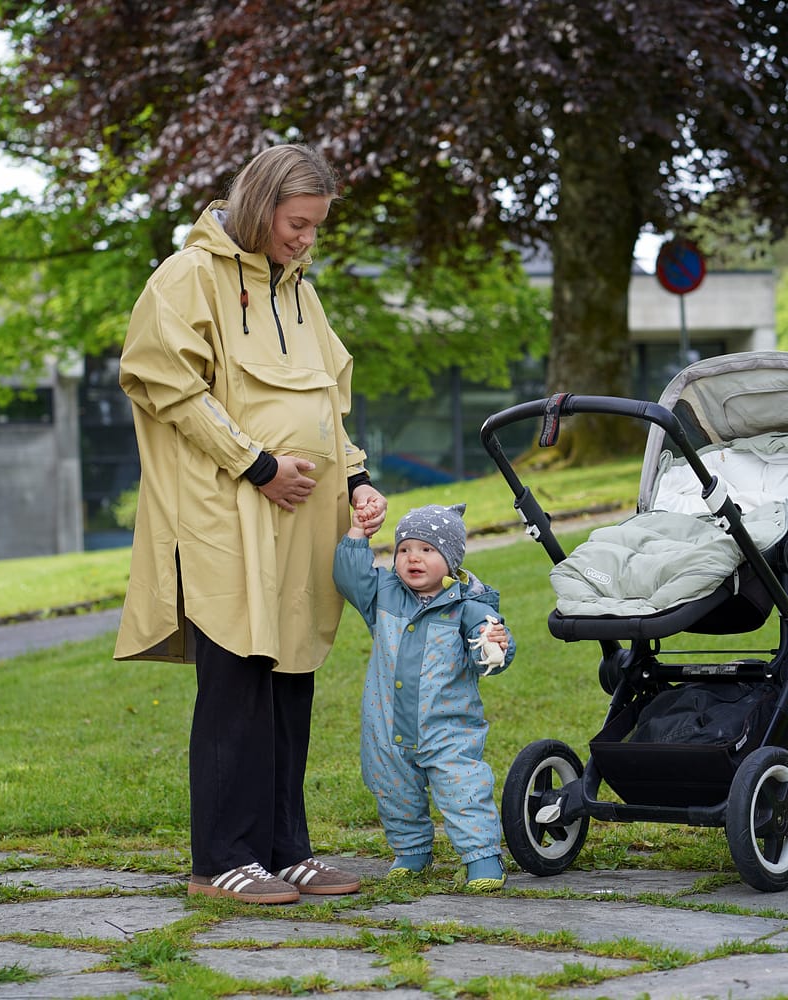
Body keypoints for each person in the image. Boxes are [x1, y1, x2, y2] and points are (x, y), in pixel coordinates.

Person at [113, 143, 387, 904]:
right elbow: (163, 380)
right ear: (262, 204)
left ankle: (283, 848)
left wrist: (357, 477)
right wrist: (257, 463)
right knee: (235, 680)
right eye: (298, 224)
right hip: (222, 512)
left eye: (316, 227)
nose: (307, 239)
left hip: (299, 520)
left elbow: (329, 403)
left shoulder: (301, 292)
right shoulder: (186, 278)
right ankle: (220, 860)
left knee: (290, 677)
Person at [333, 501, 515, 890]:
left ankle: (482, 857)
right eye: (404, 549)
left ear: (450, 560)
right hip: (386, 724)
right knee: (391, 787)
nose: (412, 558)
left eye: (427, 550)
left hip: (446, 727)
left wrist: (495, 644)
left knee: (463, 788)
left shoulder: (467, 608)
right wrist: (357, 533)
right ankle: (412, 851)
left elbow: (489, 654)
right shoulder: (384, 595)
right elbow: (350, 576)